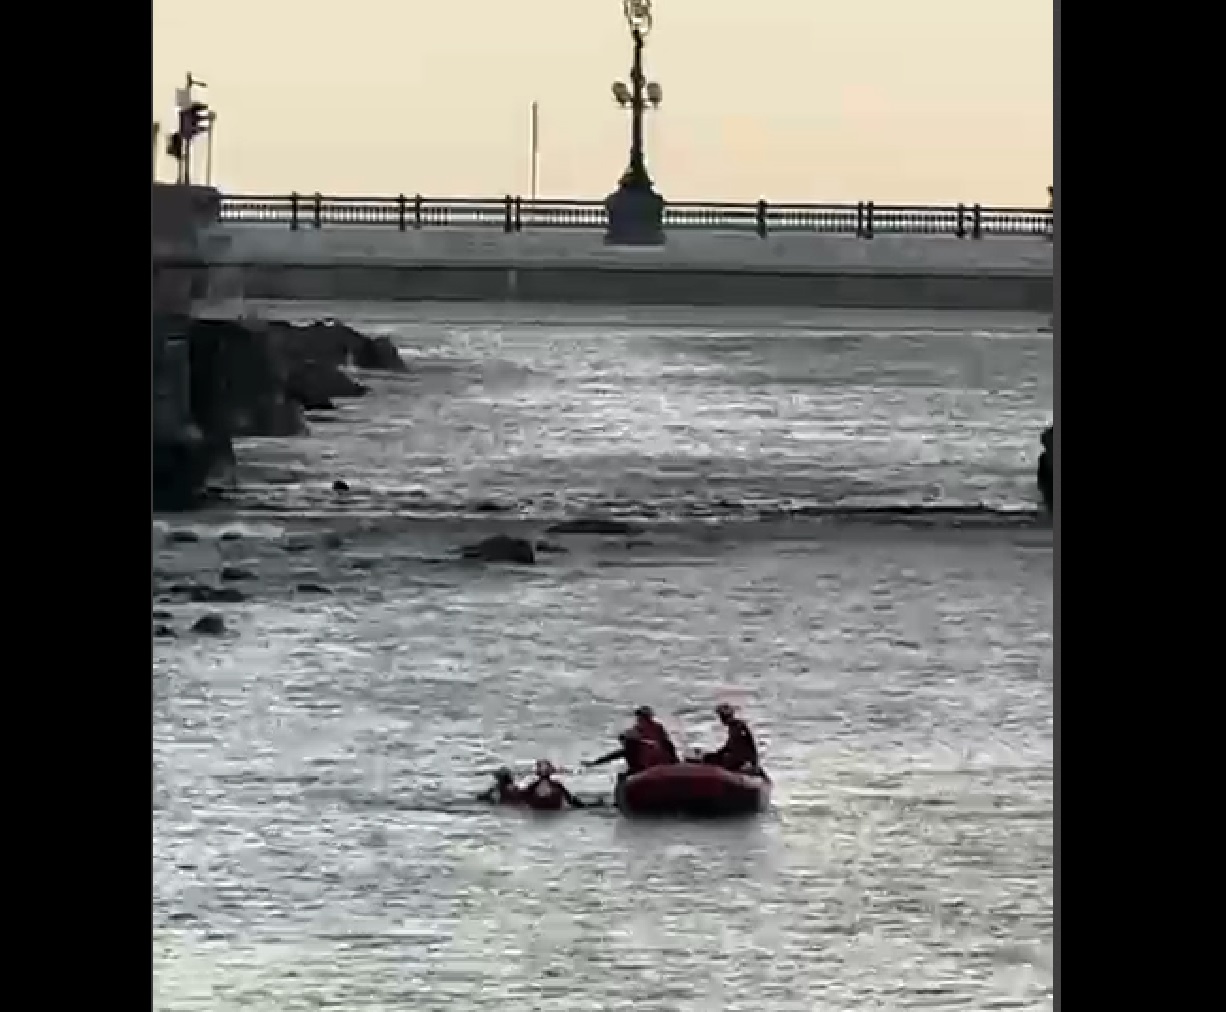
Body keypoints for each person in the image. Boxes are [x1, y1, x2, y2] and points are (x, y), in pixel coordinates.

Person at [703, 703, 761, 773]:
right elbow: (728, 746)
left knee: (714, 759)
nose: (721, 719)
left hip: (740, 759)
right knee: (709, 757)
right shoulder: (734, 727)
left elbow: (747, 746)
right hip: (738, 758)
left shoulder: (738, 726)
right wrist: (718, 753)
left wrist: (753, 763)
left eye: (721, 716)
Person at [518, 759, 593, 810]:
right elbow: (573, 801)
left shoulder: (532, 787)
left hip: (540, 812)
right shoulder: (557, 785)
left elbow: (520, 798)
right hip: (552, 811)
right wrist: (589, 806)